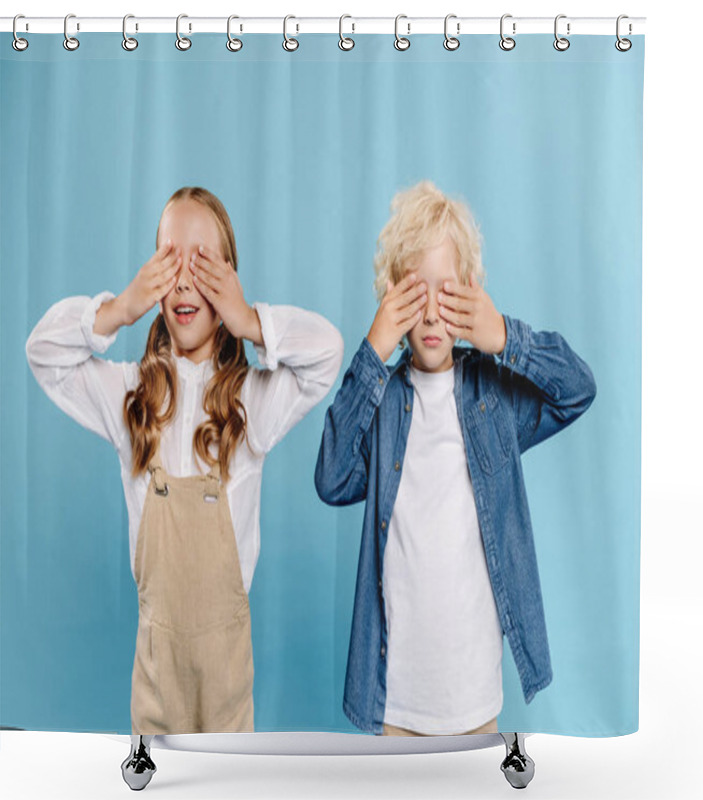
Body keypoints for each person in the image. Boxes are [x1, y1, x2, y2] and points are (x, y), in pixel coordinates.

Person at [26, 186, 344, 742]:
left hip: (226, 684)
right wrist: (118, 310)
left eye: (203, 263)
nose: (183, 280)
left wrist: (249, 321)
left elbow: (327, 353)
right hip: (155, 682)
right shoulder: (131, 398)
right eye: (169, 260)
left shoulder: (251, 403)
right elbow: (43, 354)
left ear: (229, 279)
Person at [314, 181, 597, 736]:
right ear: (392, 297)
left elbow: (577, 389)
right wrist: (372, 351)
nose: (433, 314)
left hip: (473, 697)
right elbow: (332, 478)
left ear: (471, 290)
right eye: (416, 294)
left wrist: (502, 338)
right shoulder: (386, 401)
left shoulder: (492, 398)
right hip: (394, 700)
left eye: (448, 293)